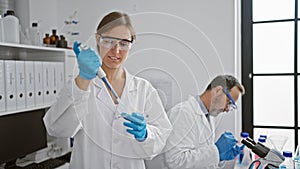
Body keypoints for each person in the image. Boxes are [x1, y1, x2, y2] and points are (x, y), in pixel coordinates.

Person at [43, 11, 172, 169]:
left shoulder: (143, 89)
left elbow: (162, 135)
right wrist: (83, 79)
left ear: (131, 45)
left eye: (124, 43)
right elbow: (56, 128)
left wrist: (147, 135)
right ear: (98, 39)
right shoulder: (81, 84)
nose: (116, 51)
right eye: (110, 41)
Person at [162, 75, 245, 169]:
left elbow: (203, 159)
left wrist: (220, 157)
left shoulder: (209, 116)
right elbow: (174, 161)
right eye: (229, 102)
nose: (226, 109)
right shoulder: (182, 113)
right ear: (218, 91)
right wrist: (216, 150)